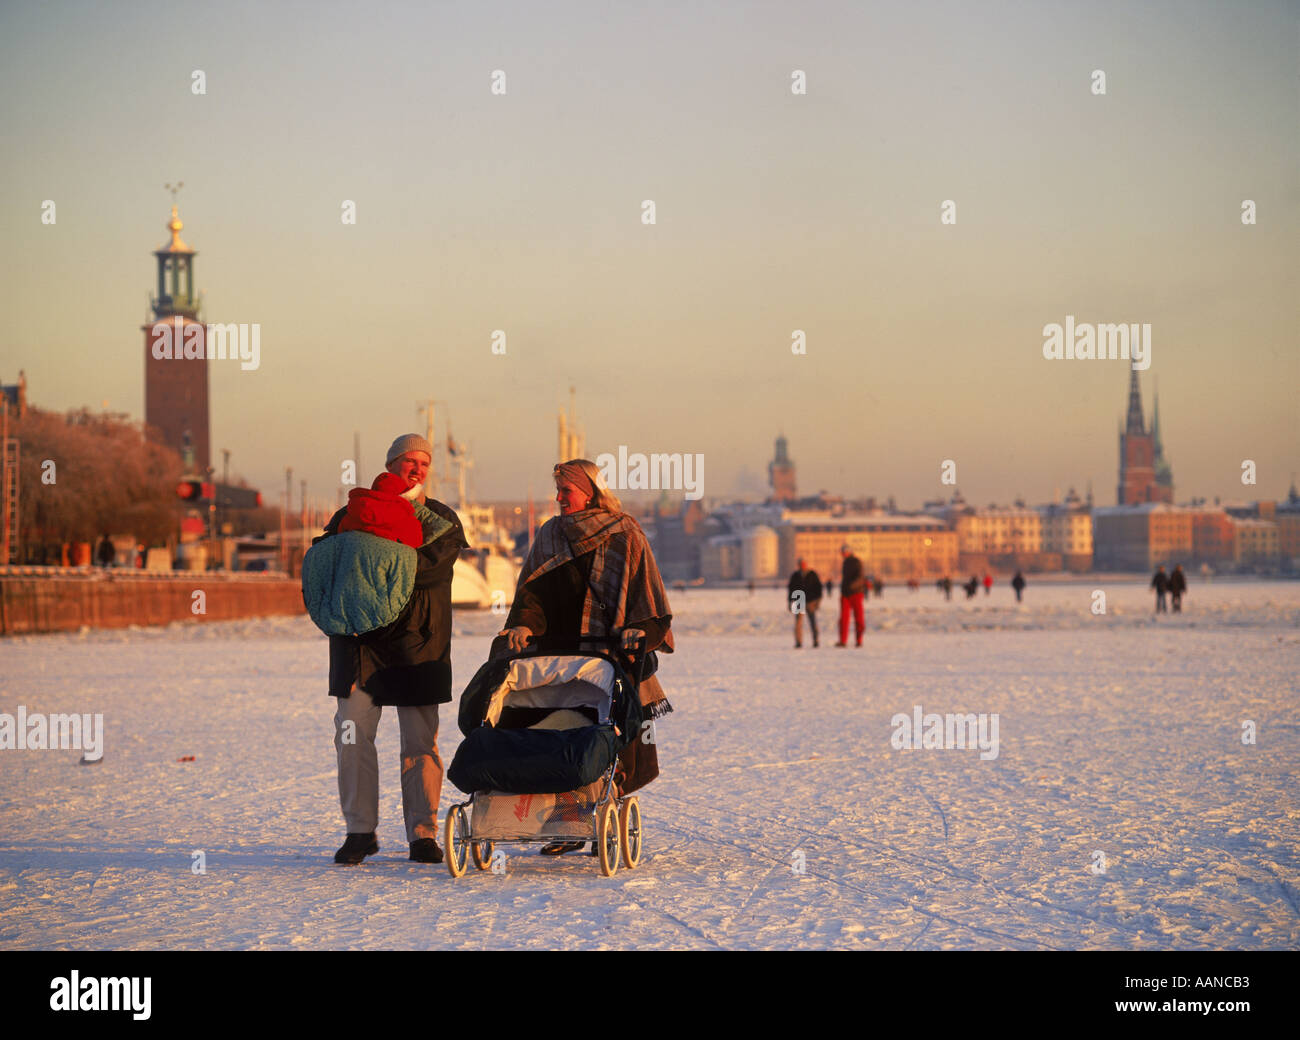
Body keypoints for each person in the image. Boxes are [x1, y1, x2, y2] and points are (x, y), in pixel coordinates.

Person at [496, 459, 674, 855]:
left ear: (590, 491)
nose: (559, 498)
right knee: (560, 740)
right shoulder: (549, 535)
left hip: (611, 657)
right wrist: (524, 624)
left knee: (608, 736)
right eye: (557, 491)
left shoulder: (624, 534)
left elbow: (648, 598)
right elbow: (532, 596)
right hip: (559, 656)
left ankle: (603, 815)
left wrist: (639, 631)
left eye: (567, 491)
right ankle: (569, 824)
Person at [321, 435, 467, 865]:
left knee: (420, 743)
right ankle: (359, 831)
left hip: (419, 646)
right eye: (408, 460)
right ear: (391, 465)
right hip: (359, 647)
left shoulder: (440, 519)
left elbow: (425, 570)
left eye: (424, 462)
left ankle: (422, 834)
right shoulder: (351, 513)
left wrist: (371, 552)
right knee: (351, 736)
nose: (417, 468)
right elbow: (330, 564)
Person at [787, 557, 823, 648]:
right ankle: (798, 642)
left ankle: (816, 640)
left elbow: (818, 588)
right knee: (798, 624)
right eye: (800, 564)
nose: (802, 565)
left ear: (806, 564)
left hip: (810, 601)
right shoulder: (795, 575)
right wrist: (790, 601)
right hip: (799, 600)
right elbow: (791, 589)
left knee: (813, 622)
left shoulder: (812, 574)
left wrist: (818, 600)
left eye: (803, 563)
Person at [836, 545, 866, 647]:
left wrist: (851, 586)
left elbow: (860, 577)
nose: (842, 554)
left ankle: (859, 640)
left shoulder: (856, 562)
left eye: (843, 552)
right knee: (843, 619)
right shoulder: (845, 562)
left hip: (856, 593)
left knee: (859, 618)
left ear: (848, 552)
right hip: (845, 594)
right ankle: (843, 641)